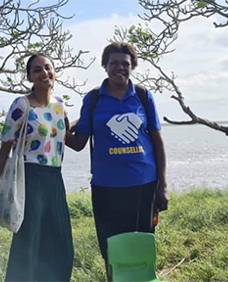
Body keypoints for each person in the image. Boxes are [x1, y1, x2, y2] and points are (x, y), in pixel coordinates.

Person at [66, 42, 169, 279]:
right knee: (110, 247)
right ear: (105, 66)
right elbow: (79, 141)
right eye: (114, 63)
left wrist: (162, 186)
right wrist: (52, 128)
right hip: (106, 187)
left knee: (141, 245)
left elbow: (157, 142)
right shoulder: (93, 99)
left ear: (133, 66)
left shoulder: (143, 96)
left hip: (143, 185)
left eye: (126, 63)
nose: (119, 68)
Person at [0, 53, 74, 281]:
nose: (44, 73)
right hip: (30, 179)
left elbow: (65, 135)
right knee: (29, 242)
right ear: (29, 76)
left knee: (61, 244)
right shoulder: (22, 105)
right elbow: (5, 149)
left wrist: (94, 116)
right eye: (37, 70)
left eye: (48, 68)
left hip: (55, 178)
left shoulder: (60, 105)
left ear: (54, 71)